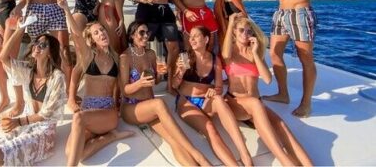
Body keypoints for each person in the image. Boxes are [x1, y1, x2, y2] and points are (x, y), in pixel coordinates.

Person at [0, 20, 67, 166]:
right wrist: (19, 29)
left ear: (50, 53)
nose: (37, 47)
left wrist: (17, 121)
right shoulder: (28, 71)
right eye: (36, 43)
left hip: (44, 134)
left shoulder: (57, 77)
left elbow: (46, 114)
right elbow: (3, 57)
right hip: (26, 127)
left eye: (43, 45)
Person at [222, 13, 313, 166]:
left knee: (281, 125)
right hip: (236, 103)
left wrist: (256, 53)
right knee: (256, 105)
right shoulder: (230, 53)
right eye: (241, 30)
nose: (246, 34)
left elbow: (267, 78)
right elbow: (224, 54)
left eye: (249, 31)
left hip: (255, 105)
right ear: (234, 33)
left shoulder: (255, 52)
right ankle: (287, 163)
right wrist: (231, 22)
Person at [119, 21, 210, 166]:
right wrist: (139, 83)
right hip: (132, 108)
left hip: (150, 107)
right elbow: (124, 90)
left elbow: (154, 81)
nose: (146, 36)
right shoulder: (125, 57)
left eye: (147, 33)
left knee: (173, 140)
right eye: (141, 32)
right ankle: (198, 156)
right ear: (132, 35)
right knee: (159, 103)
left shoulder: (151, 54)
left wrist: (160, 76)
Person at [257, 0, 323, 118]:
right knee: (275, 53)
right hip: (281, 13)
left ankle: (306, 103)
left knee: (305, 58)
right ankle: (283, 94)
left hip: (300, 13)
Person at [58, 0, 134, 166]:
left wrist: (121, 107)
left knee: (78, 118)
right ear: (92, 39)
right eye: (96, 32)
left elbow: (121, 88)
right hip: (89, 113)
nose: (102, 34)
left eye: (103, 30)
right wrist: (66, 9)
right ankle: (110, 137)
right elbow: (77, 34)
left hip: (107, 114)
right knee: (74, 153)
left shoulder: (117, 58)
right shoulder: (88, 56)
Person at [172, 26, 252, 166]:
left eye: (196, 36)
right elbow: (174, 85)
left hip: (207, 101)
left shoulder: (215, 60)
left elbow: (219, 87)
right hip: (187, 101)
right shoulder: (184, 57)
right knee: (210, 128)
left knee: (219, 99)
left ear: (206, 39)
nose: (192, 39)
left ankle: (245, 154)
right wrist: (181, 72)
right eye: (190, 37)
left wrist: (214, 91)